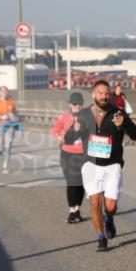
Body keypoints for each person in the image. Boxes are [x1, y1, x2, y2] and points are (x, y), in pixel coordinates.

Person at [64, 79, 136, 251]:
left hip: (113, 164)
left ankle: (109, 219)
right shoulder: (83, 115)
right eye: (100, 93)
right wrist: (74, 131)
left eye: (107, 93)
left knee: (110, 206)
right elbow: (68, 139)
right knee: (95, 203)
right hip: (90, 164)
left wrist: (125, 124)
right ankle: (101, 237)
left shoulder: (118, 113)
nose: (104, 96)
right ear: (93, 94)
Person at [50, 92, 87, 223]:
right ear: (70, 104)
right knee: (72, 182)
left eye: (80, 104)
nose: (78, 106)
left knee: (81, 183)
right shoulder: (64, 116)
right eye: (75, 104)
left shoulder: (87, 117)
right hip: (68, 154)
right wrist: (61, 137)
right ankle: (71, 211)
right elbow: (54, 131)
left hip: (84, 154)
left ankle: (77, 209)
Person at [0, 86, 19, 174]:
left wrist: (16, 118)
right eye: (2, 90)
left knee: (8, 146)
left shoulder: (11, 102)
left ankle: (5, 167)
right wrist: (1, 117)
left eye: (5, 90)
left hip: (10, 126)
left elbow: (16, 113)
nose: (4, 92)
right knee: (1, 146)